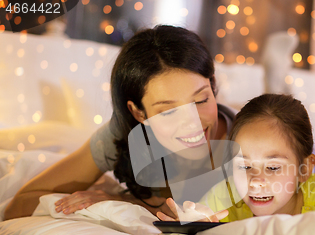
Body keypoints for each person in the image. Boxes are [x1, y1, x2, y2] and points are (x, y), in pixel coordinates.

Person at [4, 25, 236, 220]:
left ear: (213, 86)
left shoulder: (250, 136)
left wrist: (127, 201)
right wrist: (116, 202)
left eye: (200, 100)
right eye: (168, 112)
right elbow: (21, 203)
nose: (191, 123)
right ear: (139, 113)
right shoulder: (121, 136)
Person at [158, 94, 315, 222]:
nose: (256, 182)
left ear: (304, 169)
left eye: (273, 168)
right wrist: (194, 228)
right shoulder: (226, 195)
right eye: (244, 166)